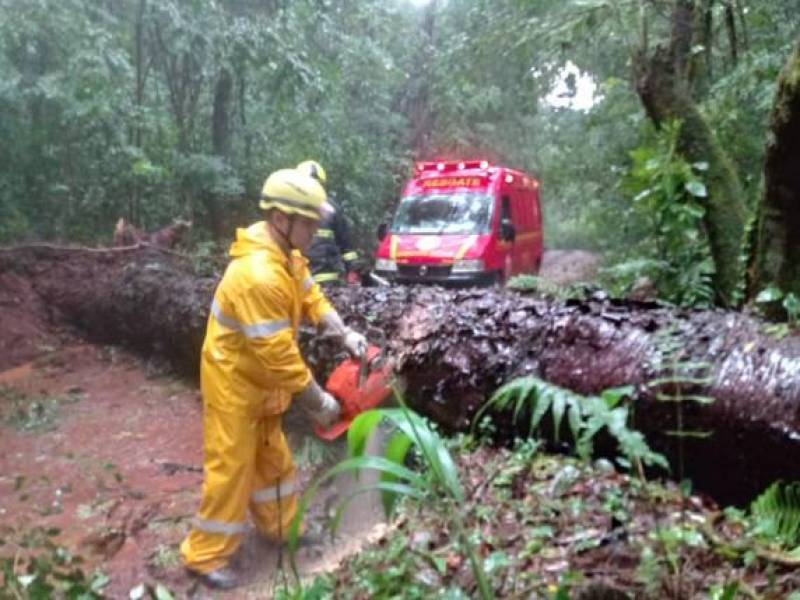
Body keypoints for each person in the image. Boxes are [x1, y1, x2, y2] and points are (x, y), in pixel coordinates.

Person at [179, 168, 367, 589]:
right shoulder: (257, 276)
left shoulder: (287, 257)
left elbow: (310, 295)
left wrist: (342, 331)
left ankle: (282, 530)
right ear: (282, 219)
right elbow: (279, 355)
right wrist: (319, 402)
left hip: (261, 385)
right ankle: (203, 557)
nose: (317, 230)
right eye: (310, 223)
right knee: (231, 468)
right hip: (235, 383)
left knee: (275, 463)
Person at [296, 160, 362, 286]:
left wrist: (352, 270)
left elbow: (345, 244)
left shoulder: (289, 209)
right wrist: (352, 269)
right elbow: (346, 244)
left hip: (313, 279)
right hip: (318, 279)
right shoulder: (331, 208)